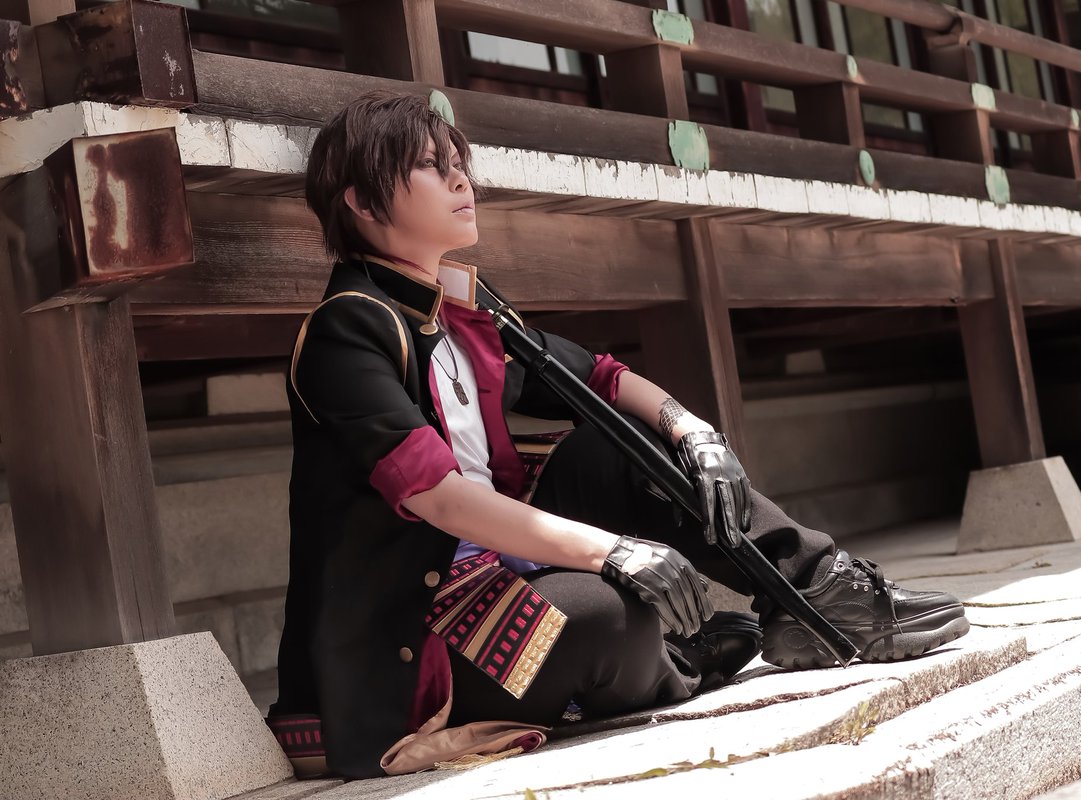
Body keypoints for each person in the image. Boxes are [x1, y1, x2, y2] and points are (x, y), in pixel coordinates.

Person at [267, 90, 969, 779]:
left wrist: (694, 432)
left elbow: (599, 380)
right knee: (608, 618)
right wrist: (614, 551)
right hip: (413, 637)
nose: (460, 181)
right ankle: (672, 659)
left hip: (496, 572)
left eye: (459, 164)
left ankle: (817, 590)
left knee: (625, 447)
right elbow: (440, 498)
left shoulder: (457, 312)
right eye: (430, 165)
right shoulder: (347, 329)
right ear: (362, 202)